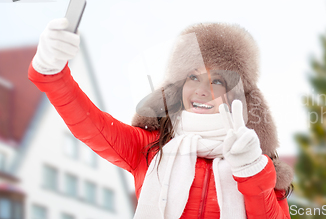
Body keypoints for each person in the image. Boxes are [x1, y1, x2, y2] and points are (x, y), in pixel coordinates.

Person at [28, 18, 294, 219]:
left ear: (238, 95)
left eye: (217, 80)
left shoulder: (260, 167)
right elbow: (92, 126)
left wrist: (250, 171)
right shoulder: (151, 148)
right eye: (193, 77)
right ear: (178, 86)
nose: (202, 89)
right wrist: (52, 74)